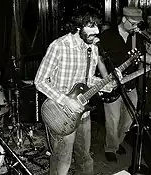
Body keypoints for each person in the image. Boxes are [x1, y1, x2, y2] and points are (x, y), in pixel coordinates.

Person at [34, 5, 113, 175]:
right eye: (91, 25)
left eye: (97, 26)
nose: (97, 30)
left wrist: (104, 83)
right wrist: (66, 100)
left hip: (83, 113)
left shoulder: (92, 48)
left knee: (85, 158)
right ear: (79, 26)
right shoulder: (59, 46)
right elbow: (39, 81)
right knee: (62, 162)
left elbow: (88, 78)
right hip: (61, 113)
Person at [99, 6, 151, 162]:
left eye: (138, 24)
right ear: (124, 19)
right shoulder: (108, 35)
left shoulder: (136, 37)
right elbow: (99, 59)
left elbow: (143, 56)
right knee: (113, 120)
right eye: (133, 23)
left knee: (129, 120)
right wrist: (106, 79)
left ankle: (118, 142)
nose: (136, 27)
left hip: (131, 84)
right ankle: (110, 147)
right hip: (112, 85)